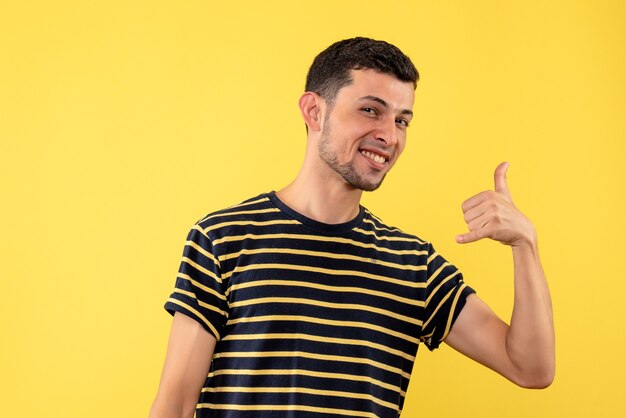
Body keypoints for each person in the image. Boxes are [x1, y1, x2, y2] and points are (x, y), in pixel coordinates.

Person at [149, 37, 555, 418]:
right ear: (314, 111)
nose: (389, 135)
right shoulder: (223, 238)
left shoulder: (412, 265)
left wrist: (525, 244)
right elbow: (175, 406)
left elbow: (530, 368)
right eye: (370, 110)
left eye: (402, 120)